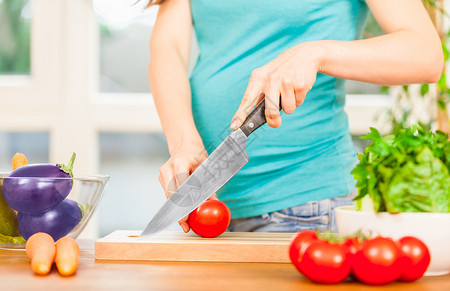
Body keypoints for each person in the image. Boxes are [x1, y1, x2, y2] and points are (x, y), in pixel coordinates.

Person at [146, 0, 443, 233]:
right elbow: (166, 48)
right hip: (211, 209)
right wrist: (184, 144)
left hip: (305, 208)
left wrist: (316, 53)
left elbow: (425, 54)